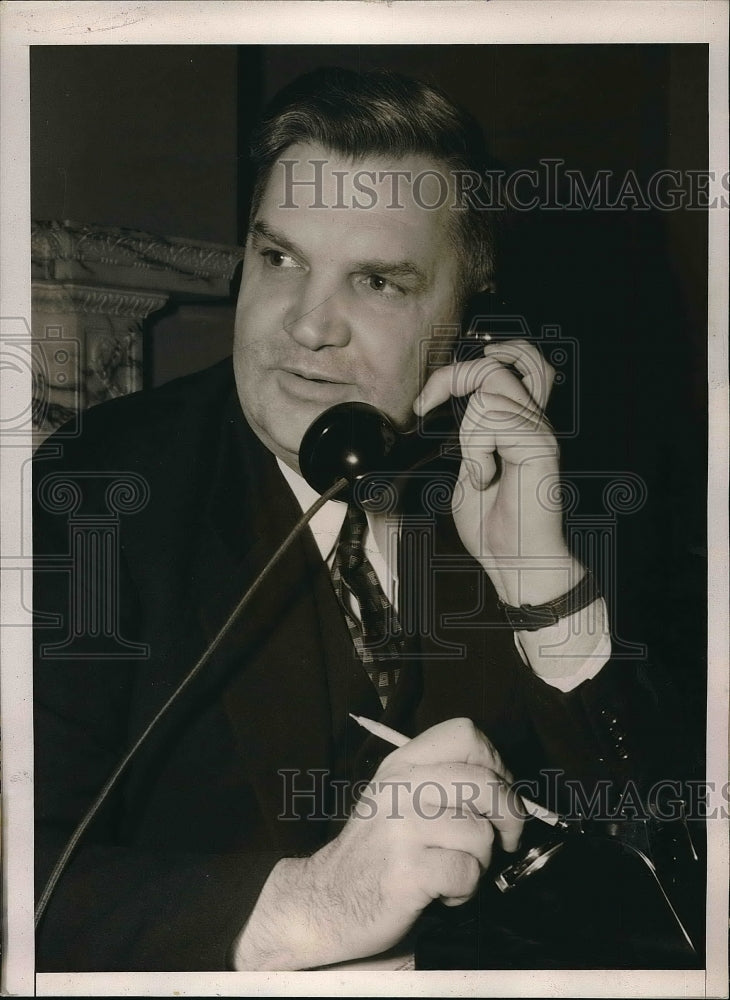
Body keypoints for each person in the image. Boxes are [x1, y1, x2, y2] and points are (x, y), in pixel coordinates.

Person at [33, 67, 691, 972]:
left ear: (466, 322)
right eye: (280, 259)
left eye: (378, 281)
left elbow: (681, 871)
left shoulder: (511, 478)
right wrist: (316, 903)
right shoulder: (96, 487)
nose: (308, 325)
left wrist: (541, 586)